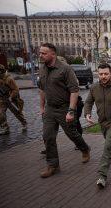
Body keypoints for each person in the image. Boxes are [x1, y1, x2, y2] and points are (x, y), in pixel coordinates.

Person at [38, 43, 90, 178]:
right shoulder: (42, 68)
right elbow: (42, 89)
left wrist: (71, 111)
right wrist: (42, 107)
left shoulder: (65, 69)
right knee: (47, 136)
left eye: (44, 53)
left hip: (64, 107)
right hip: (50, 108)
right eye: (40, 53)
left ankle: (84, 149)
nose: (40, 55)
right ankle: (53, 165)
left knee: (72, 133)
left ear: (53, 54)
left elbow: (74, 90)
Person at [0, 64, 27, 135]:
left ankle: (24, 123)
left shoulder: (9, 79)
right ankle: (5, 128)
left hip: (10, 99)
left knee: (17, 112)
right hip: (2, 99)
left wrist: (11, 97)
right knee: (0, 114)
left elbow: (15, 89)